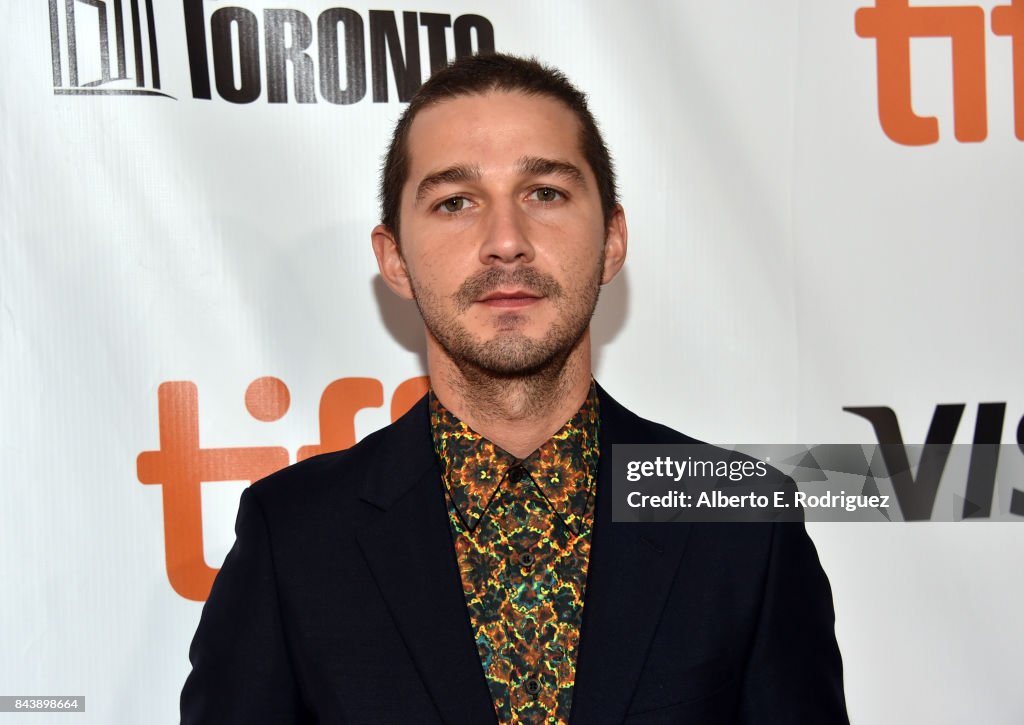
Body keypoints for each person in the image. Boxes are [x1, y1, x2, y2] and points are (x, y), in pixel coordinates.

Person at [180, 53, 849, 724]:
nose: (506, 241)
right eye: (455, 202)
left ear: (612, 240)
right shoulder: (295, 537)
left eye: (545, 193)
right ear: (395, 259)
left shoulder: (741, 523)